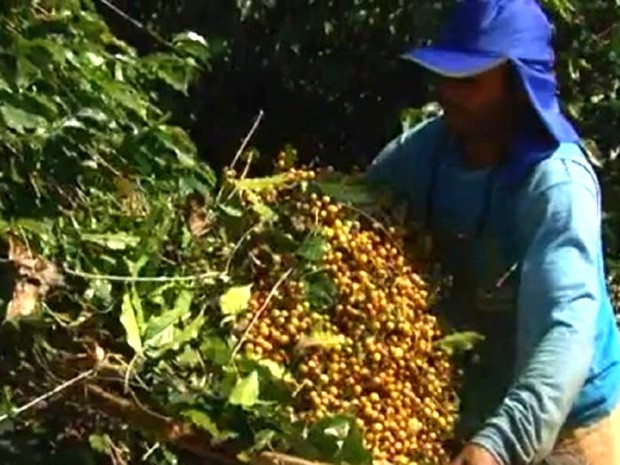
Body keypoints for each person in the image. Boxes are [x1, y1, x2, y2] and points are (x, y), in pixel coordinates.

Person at [364, 0, 620, 464]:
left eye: (470, 81)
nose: (448, 91)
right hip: (479, 400)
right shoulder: (429, 151)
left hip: (570, 422)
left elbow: (565, 332)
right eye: (446, 75)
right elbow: (359, 210)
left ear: (520, 87)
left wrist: (501, 445)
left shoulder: (555, 184)